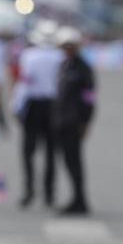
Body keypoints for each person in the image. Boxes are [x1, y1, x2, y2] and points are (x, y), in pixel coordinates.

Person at [14, 22, 63, 208]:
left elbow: (24, 84)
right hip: (53, 106)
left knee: (28, 151)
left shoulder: (29, 55)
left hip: (33, 105)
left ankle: (29, 191)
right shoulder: (59, 57)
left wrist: (17, 107)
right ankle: (49, 194)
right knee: (51, 152)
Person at [52, 27, 95, 216]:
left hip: (75, 121)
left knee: (75, 162)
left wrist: (85, 122)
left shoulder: (83, 68)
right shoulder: (64, 65)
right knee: (68, 162)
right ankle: (76, 198)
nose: (67, 50)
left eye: (70, 46)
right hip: (62, 121)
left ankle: (80, 200)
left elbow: (89, 98)